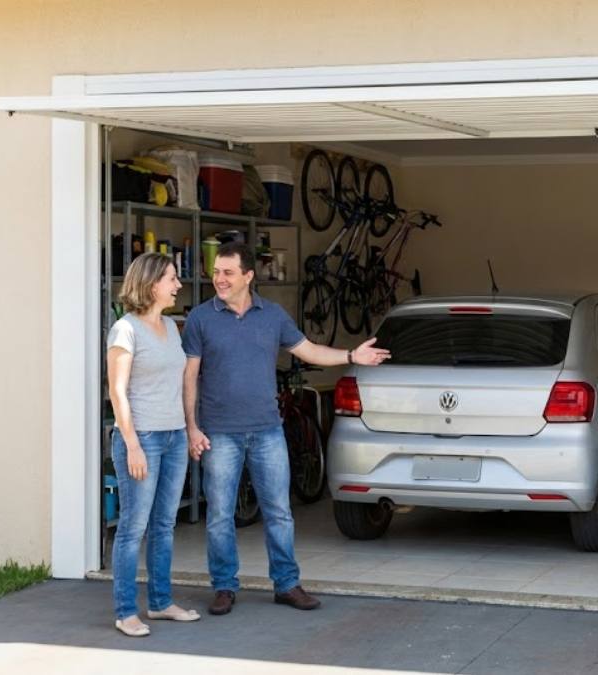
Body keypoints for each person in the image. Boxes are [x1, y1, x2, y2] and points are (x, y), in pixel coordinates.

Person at [182, 241, 390, 615]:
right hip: (220, 432)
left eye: (228, 272)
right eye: (216, 272)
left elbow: (309, 351)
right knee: (219, 516)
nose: (219, 279)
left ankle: (286, 584)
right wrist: (192, 428)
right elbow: (189, 375)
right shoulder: (200, 318)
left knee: (278, 511)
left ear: (248, 276)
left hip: (266, 431)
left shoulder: (273, 315)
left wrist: (350, 356)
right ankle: (225, 587)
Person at [106, 252, 202, 637]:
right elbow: (117, 390)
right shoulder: (125, 330)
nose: (178, 285)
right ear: (150, 284)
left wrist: (189, 428)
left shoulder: (171, 327)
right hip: (142, 438)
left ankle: (161, 603)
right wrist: (131, 445)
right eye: (172, 279)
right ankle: (126, 611)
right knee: (133, 527)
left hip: (175, 436)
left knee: (164, 524)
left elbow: (179, 383)